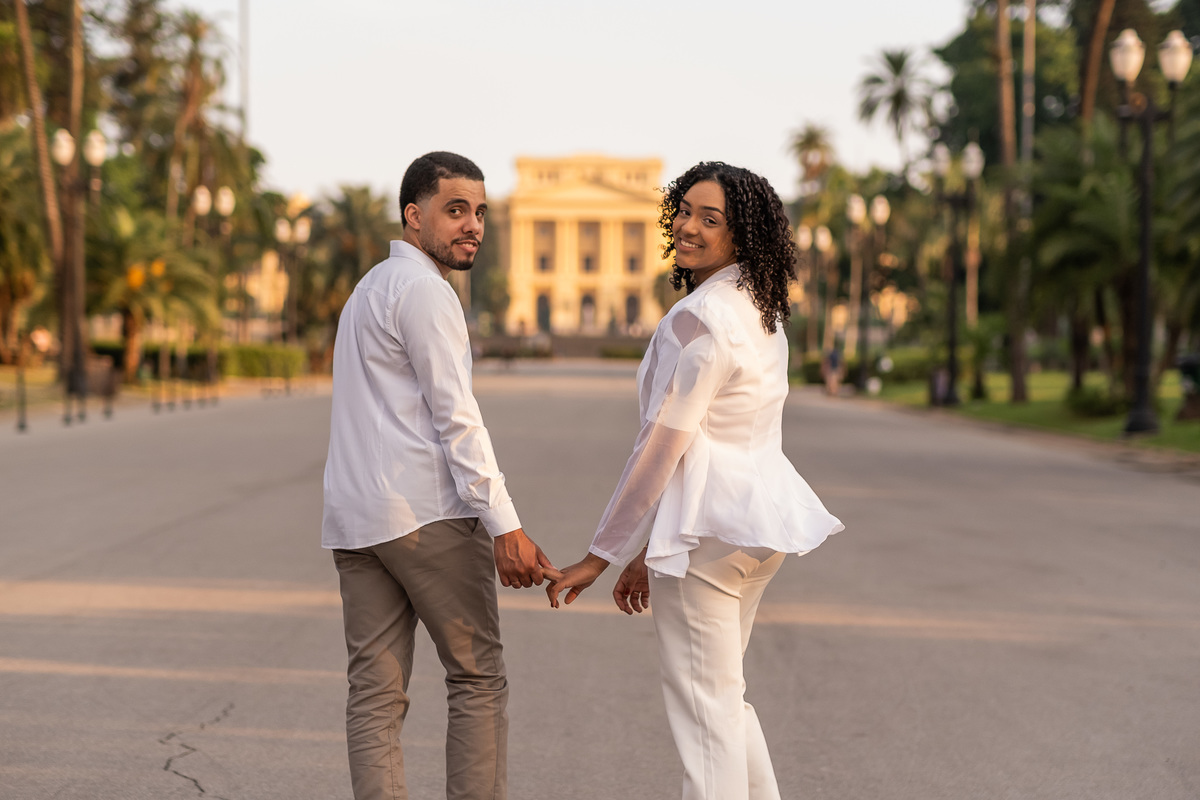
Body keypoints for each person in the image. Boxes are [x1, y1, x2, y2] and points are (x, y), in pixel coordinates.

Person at [547, 162, 844, 800]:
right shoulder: (761, 310)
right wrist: (653, 545)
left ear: (742, 235)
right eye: (685, 211)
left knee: (705, 721)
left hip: (709, 538)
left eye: (712, 219)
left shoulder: (701, 318)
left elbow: (664, 447)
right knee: (724, 704)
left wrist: (603, 554)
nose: (689, 226)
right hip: (753, 531)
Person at [323, 151, 557, 800]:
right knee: (478, 678)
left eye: (480, 212)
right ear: (413, 214)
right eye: (455, 210)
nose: (472, 226)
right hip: (426, 520)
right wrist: (505, 526)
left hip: (357, 522)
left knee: (375, 694)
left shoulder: (368, 290)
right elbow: (458, 421)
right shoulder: (427, 293)